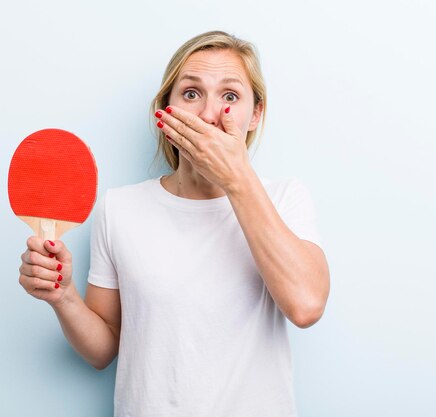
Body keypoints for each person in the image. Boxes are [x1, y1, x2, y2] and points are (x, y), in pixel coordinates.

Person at [18, 30, 330, 417]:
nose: (208, 113)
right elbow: (103, 350)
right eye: (191, 93)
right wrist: (63, 296)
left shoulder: (285, 199)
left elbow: (306, 306)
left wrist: (236, 179)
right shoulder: (120, 208)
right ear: (164, 113)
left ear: (256, 115)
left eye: (230, 96)